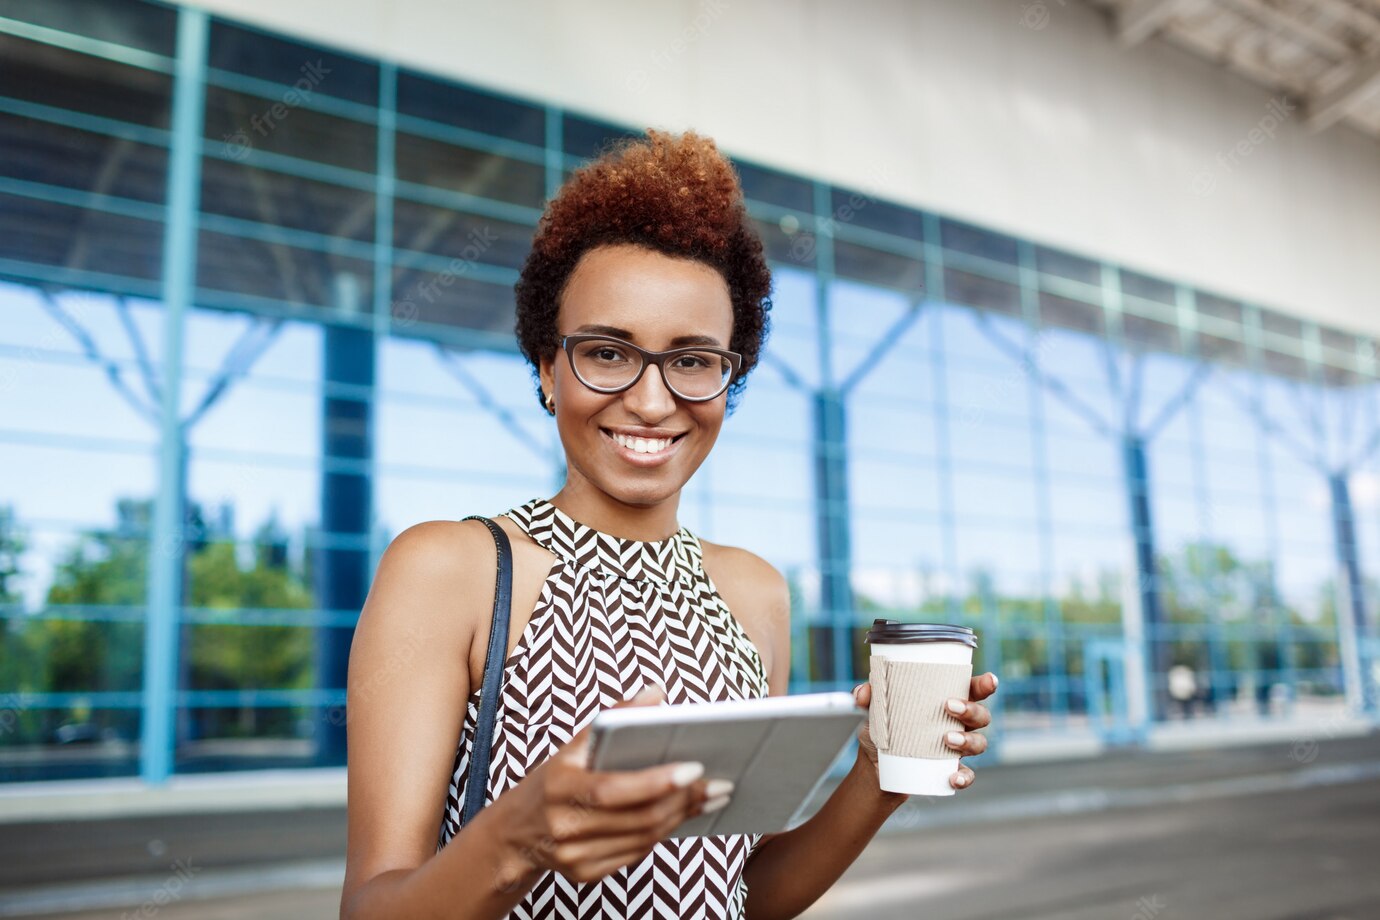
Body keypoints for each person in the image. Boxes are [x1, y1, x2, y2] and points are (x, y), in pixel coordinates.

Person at [339, 128, 998, 920]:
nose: (652, 401)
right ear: (548, 369)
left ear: (729, 380)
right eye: (609, 353)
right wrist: (520, 835)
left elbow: (737, 894)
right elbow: (371, 907)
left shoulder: (753, 594)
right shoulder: (454, 569)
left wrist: (878, 778)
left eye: (691, 360)